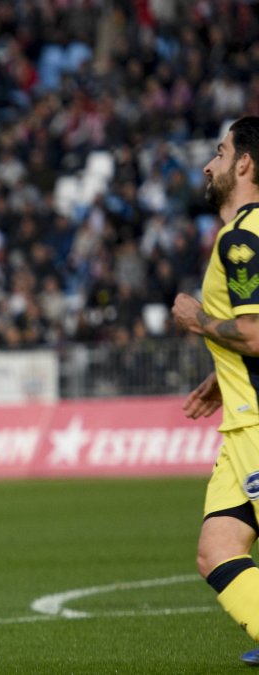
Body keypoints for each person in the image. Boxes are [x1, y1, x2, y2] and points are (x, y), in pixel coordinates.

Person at [172, 116, 259, 666]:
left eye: (221, 152)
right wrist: (221, 372)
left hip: (258, 424)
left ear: (246, 165)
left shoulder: (243, 237)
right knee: (217, 551)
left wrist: (200, 321)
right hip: (241, 420)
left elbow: (254, 330)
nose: (210, 164)